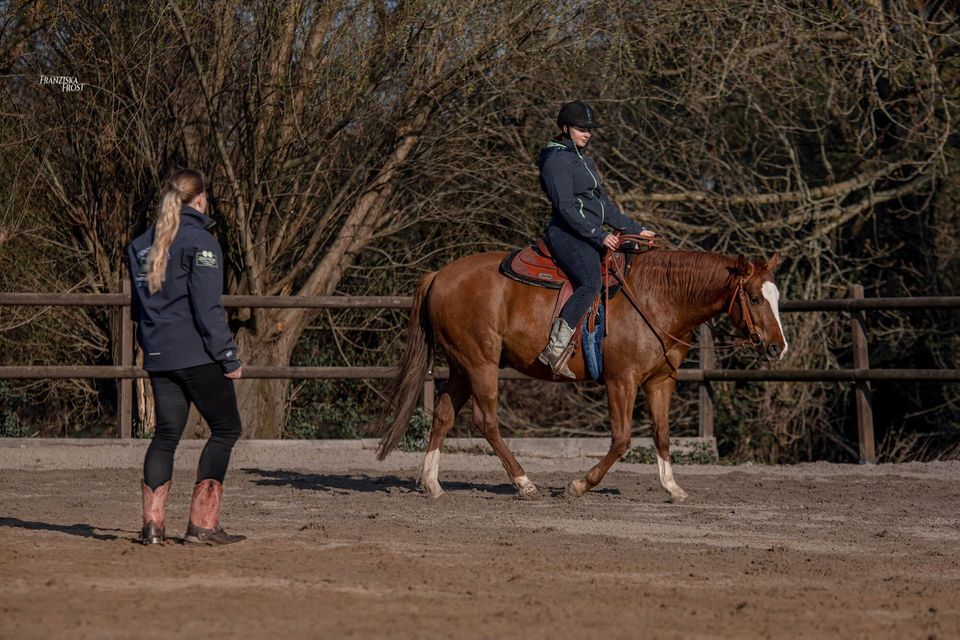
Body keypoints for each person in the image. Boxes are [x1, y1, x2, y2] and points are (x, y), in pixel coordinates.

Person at [127, 168, 246, 545]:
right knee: (227, 429)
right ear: (200, 200)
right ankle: (202, 526)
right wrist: (228, 355)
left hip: (159, 356)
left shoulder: (140, 246)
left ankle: (152, 527)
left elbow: (136, 309)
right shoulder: (203, 242)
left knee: (165, 435)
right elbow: (208, 308)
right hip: (197, 356)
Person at [537, 100, 656, 378]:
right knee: (591, 282)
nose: (587, 133)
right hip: (567, 233)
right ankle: (555, 347)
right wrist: (599, 235)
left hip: (590, 233)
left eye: (589, 129)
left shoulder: (585, 161)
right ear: (565, 128)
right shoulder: (555, 162)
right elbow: (565, 207)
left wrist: (636, 229)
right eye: (581, 128)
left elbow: (605, 207)